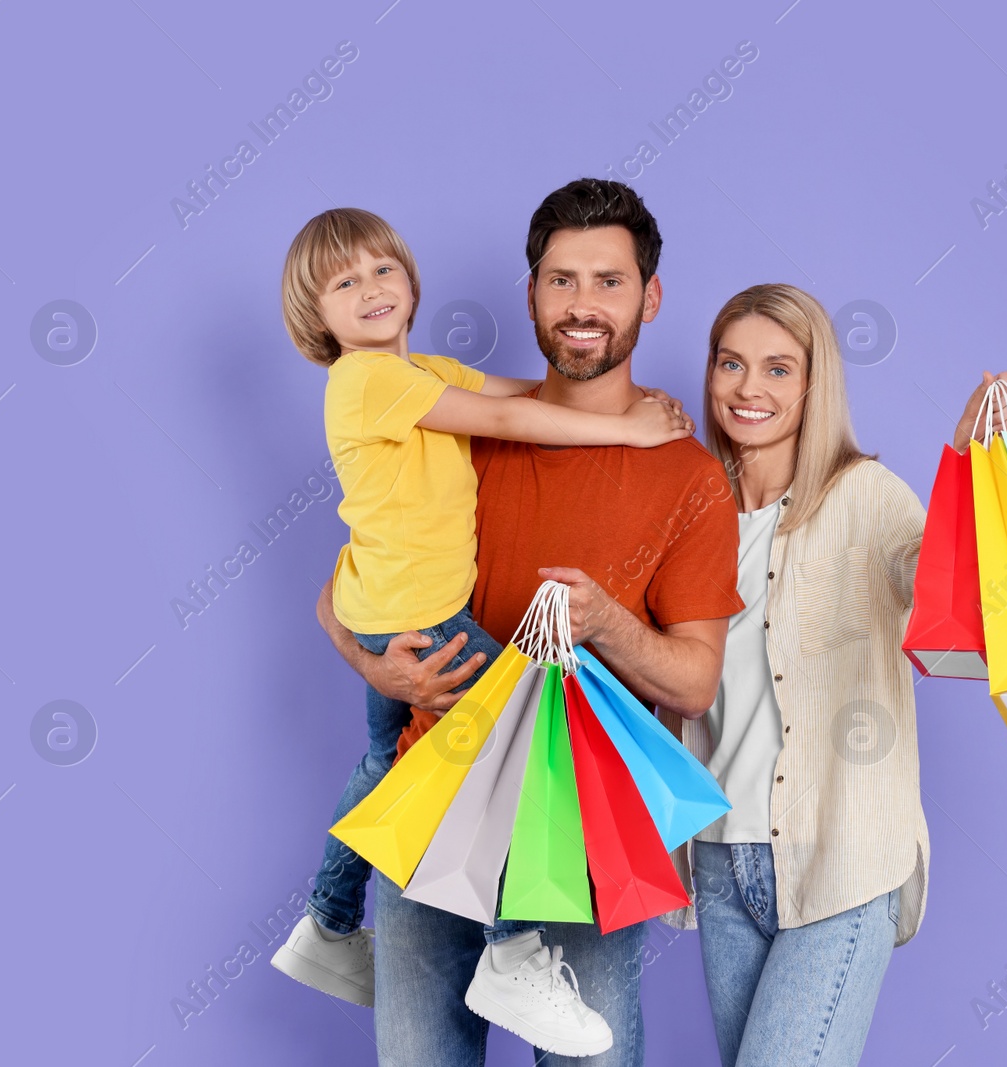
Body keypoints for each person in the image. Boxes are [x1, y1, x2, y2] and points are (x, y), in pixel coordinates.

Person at [314, 179, 744, 1066]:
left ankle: (340, 921)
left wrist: (603, 621)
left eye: (609, 281)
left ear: (650, 297)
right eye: (561, 280)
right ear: (532, 296)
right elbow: (347, 584)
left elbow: (695, 681)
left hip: (576, 834)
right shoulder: (462, 426)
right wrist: (379, 671)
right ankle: (333, 922)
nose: (583, 303)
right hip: (427, 808)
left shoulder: (691, 477)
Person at [661, 282, 1007, 1066]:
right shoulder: (692, 513)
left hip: (844, 855)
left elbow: (951, 597)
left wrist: (969, 471)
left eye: (779, 369)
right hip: (720, 857)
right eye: (731, 363)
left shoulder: (866, 496)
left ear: (815, 386)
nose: (749, 388)